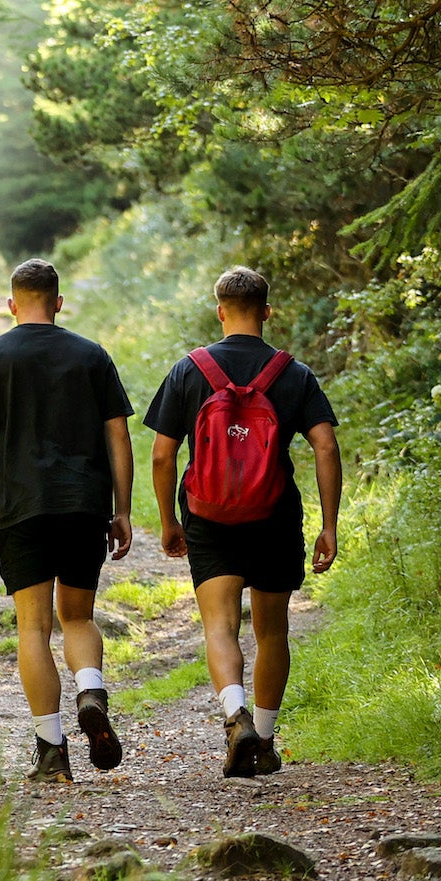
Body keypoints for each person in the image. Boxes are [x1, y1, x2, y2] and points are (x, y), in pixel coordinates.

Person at [144, 267, 341, 778]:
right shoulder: (293, 374)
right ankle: (267, 739)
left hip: (209, 517)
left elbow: (163, 455)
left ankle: (235, 718)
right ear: (267, 312)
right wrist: (330, 525)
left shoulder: (190, 370)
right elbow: (325, 445)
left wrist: (169, 519)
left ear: (220, 311)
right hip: (275, 515)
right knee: (273, 631)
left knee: (221, 625)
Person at [0, 259, 136, 783]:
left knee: (33, 628)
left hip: (23, 510)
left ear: (13, 304)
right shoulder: (91, 355)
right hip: (84, 505)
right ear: (58, 303)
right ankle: (90, 691)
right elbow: (119, 437)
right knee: (77, 617)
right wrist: (121, 510)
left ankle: (52, 753)